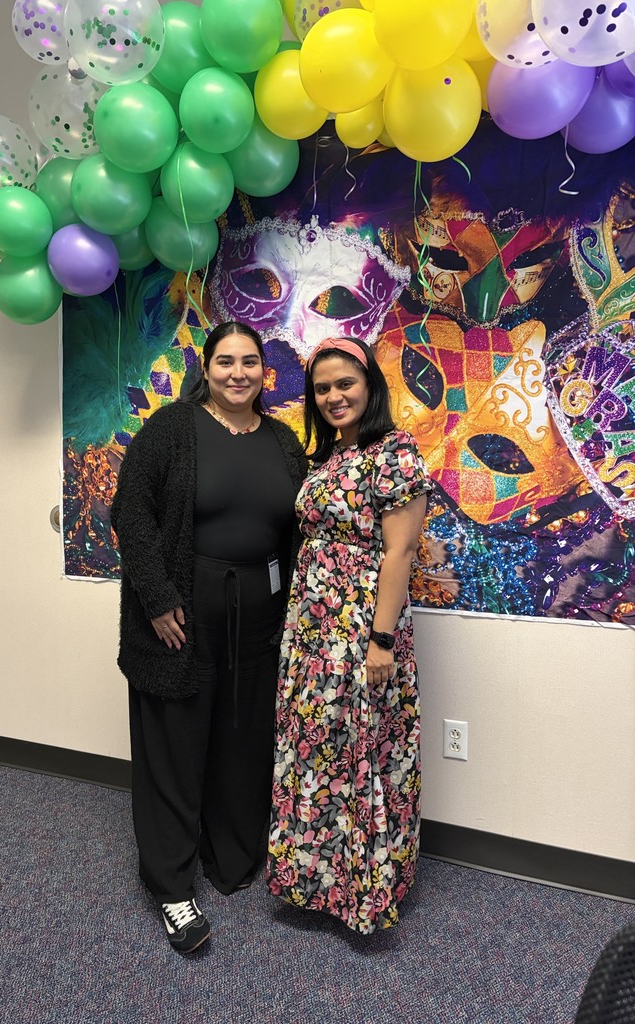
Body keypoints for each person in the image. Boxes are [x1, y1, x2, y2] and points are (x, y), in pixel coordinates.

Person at [110, 320, 307, 954]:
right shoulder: (172, 428)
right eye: (226, 361)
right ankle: (171, 887)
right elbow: (131, 513)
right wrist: (159, 599)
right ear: (207, 366)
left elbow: (302, 527)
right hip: (180, 617)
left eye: (250, 362)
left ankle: (232, 856)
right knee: (175, 744)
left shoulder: (283, 441)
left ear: (263, 371)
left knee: (243, 735)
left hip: (261, 617)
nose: (238, 373)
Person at [267, 335, 433, 934]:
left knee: (359, 749)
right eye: (322, 388)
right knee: (315, 749)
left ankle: (362, 893)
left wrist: (381, 640)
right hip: (312, 627)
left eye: (346, 384)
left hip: (362, 626)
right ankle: (314, 883)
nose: (334, 396)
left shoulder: (395, 452)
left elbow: (401, 551)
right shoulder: (326, 456)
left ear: (370, 387)